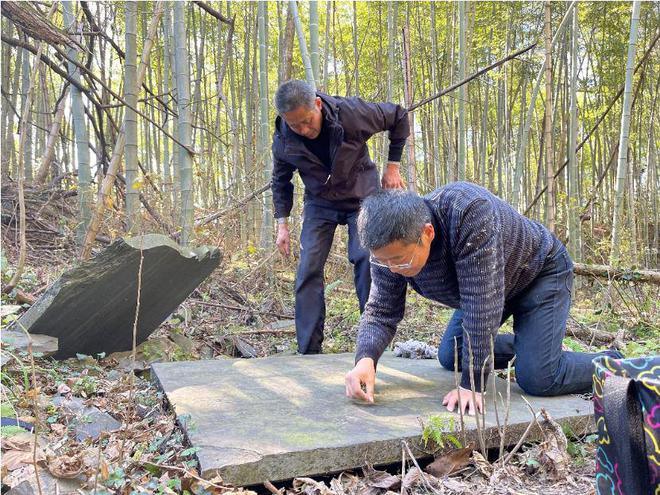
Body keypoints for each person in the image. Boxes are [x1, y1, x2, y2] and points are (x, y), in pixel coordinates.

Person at [344, 183, 622, 414]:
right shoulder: (387, 248)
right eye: (384, 261)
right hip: (493, 286)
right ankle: (534, 348)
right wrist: (365, 359)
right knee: (451, 355)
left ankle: (615, 362)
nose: (392, 269)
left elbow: (481, 304)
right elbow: (381, 311)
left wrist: (472, 384)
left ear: (427, 233)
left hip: (539, 272)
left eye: (399, 261)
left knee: (539, 378)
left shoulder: (467, 212)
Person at [272, 80, 410, 354]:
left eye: (306, 121)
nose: (303, 130)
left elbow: (399, 116)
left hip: (362, 196)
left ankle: (374, 345)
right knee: (308, 267)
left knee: (365, 258)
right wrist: (282, 223)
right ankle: (308, 351)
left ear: (318, 105)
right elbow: (281, 180)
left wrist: (392, 168)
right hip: (319, 203)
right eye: (294, 125)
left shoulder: (351, 113)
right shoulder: (284, 140)